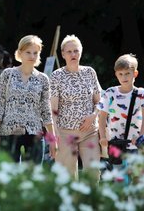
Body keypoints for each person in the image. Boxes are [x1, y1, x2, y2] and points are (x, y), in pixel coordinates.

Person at [0, 36, 57, 162]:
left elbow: (46, 110)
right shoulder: (7, 74)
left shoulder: (43, 79)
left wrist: (52, 139)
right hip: (9, 131)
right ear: (20, 53)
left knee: (33, 177)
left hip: (34, 132)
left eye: (35, 53)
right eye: (28, 52)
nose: (32, 56)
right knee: (8, 176)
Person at [50, 35, 101, 181]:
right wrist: (54, 136)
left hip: (89, 132)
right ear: (63, 54)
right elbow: (53, 109)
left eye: (76, 51)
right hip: (65, 133)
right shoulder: (56, 76)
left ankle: (92, 204)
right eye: (69, 51)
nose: (73, 54)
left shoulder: (89, 72)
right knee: (67, 179)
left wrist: (93, 115)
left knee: (93, 175)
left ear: (81, 52)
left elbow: (100, 101)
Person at [98, 54, 144, 164]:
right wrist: (103, 137)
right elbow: (102, 118)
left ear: (135, 74)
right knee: (118, 178)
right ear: (116, 75)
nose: (124, 77)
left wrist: (141, 137)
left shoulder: (142, 93)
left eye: (127, 73)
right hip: (115, 143)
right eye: (120, 74)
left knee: (137, 176)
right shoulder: (110, 93)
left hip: (135, 144)